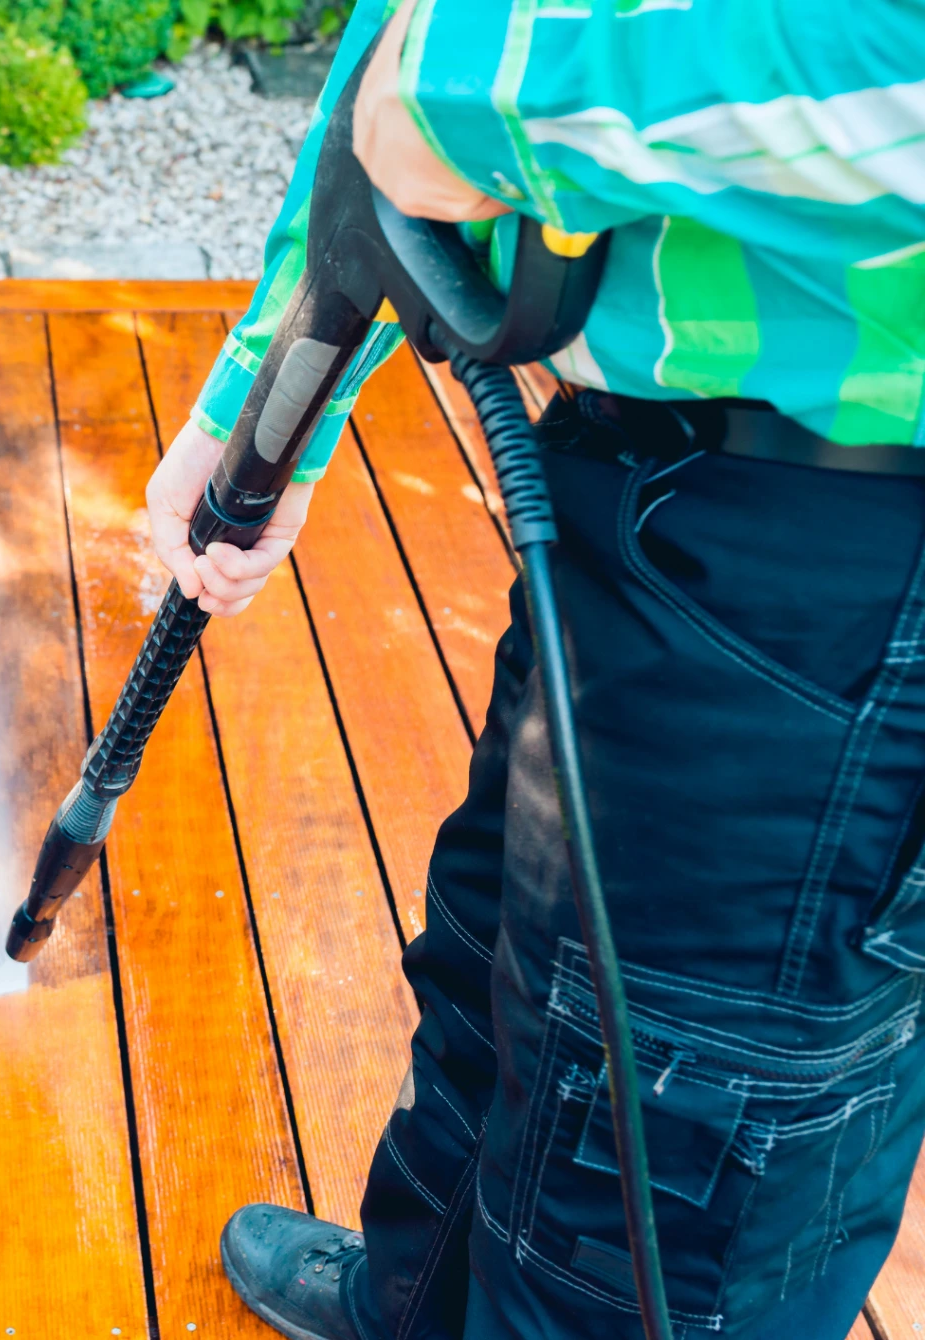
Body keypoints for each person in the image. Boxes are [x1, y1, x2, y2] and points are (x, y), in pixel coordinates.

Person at [145, 1, 925, 1336]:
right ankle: (421, 1304)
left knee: (662, 1160)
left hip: (847, 563)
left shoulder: (486, 96)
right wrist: (264, 410)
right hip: (638, 479)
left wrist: (477, 99)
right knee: (507, 981)